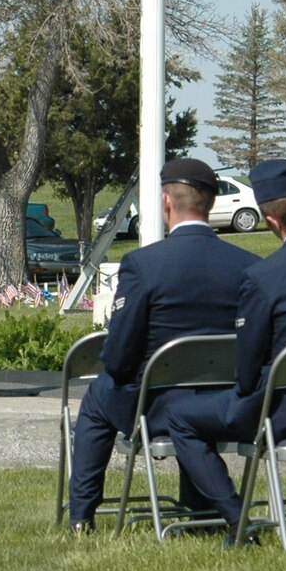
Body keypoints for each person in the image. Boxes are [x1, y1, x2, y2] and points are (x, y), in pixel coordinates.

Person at [62, 157, 257, 534]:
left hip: (156, 405)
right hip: (225, 403)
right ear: (213, 203)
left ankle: (82, 516)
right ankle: (203, 515)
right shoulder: (248, 265)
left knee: (100, 394)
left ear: (166, 202)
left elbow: (119, 358)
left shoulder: (143, 264)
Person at [164, 158, 286, 540]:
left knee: (181, 417)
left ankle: (236, 518)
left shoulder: (265, 278)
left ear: (271, 222)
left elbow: (248, 370)